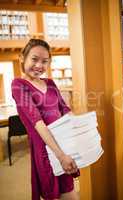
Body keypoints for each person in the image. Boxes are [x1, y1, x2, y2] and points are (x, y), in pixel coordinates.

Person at [11, 38, 80, 200]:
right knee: (54, 194)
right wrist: (60, 156)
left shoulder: (50, 83)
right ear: (23, 57)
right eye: (34, 59)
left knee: (70, 191)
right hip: (46, 150)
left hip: (63, 144)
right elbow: (37, 122)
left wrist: (83, 127)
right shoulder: (18, 85)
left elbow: (64, 109)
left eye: (45, 61)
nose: (39, 65)